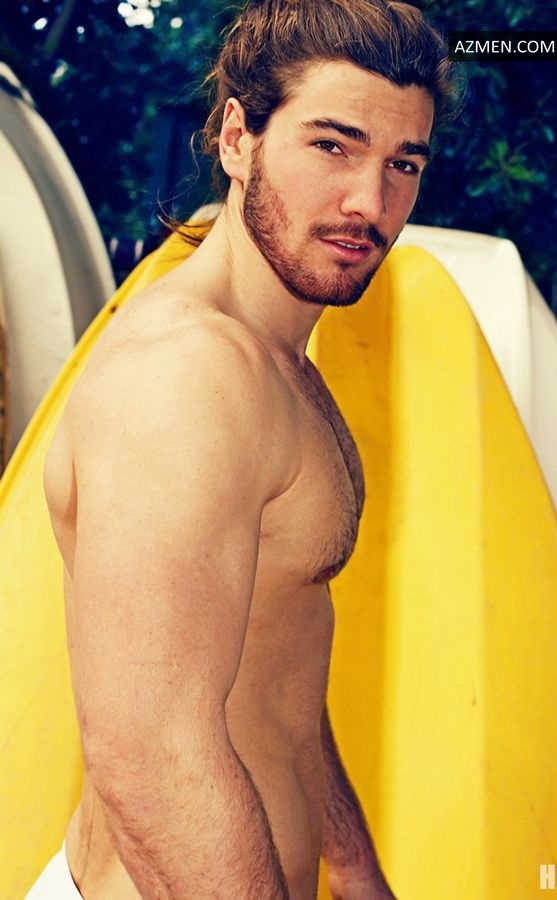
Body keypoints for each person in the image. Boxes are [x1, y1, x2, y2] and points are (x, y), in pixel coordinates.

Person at [32, 1, 459, 897]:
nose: (370, 203)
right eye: (332, 145)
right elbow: (150, 759)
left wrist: (354, 868)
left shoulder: (274, 361)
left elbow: (278, 671)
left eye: (403, 164)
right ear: (237, 139)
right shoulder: (186, 378)